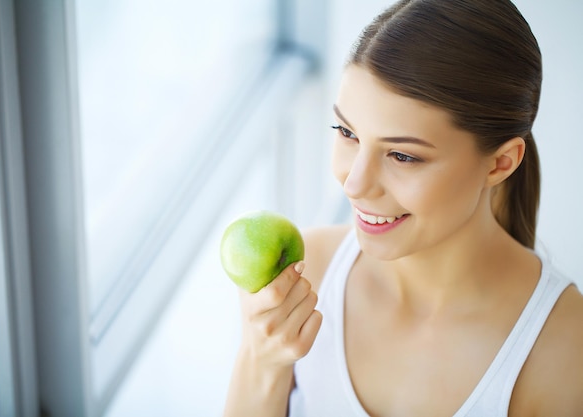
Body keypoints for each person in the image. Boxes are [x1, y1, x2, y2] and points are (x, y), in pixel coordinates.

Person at [223, 0, 583, 416]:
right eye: (346, 132)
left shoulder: (564, 350)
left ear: (500, 163)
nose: (353, 183)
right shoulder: (309, 274)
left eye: (403, 156)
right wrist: (262, 360)